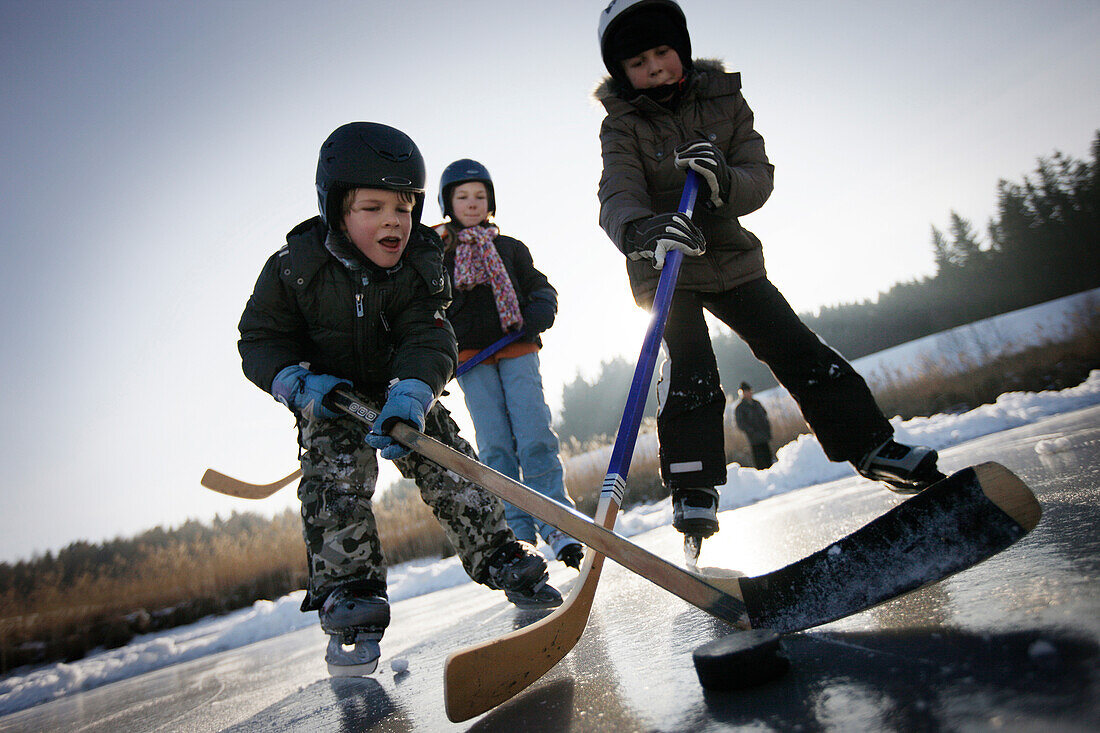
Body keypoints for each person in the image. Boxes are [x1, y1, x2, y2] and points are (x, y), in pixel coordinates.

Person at [594, 0, 943, 541]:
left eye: (663, 51)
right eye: (638, 61)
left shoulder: (724, 98)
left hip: (730, 255)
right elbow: (616, 191)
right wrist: (641, 231)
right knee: (690, 369)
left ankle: (872, 445)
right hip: (666, 266)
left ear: (681, 50)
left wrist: (723, 181)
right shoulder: (621, 125)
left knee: (794, 345)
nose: (655, 67)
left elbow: (758, 173)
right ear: (622, 73)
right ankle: (693, 486)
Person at [238, 123, 563, 676]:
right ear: (336, 209)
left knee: (452, 467)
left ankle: (499, 552)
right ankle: (349, 594)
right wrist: (296, 383)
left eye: (404, 207)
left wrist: (414, 391)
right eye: (373, 207)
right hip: (329, 398)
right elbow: (260, 339)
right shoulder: (295, 268)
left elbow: (430, 334)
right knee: (335, 484)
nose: (394, 220)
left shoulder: (419, 262)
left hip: (401, 390)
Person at [433, 159, 584, 571]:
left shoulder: (510, 248)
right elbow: (432, 309)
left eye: (480, 196)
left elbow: (540, 286)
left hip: (516, 351)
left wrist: (539, 308)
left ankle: (557, 522)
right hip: (472, 362)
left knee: (534, 434)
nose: (472, 203)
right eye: (462, 196)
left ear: (491, 200)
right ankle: (518, 530)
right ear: (448, 202)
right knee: (496, 446)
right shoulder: (439, 257)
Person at [734, 382, 774, 470]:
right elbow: (741, 424)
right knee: (759, 460)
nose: (749, 393)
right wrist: (752, 431)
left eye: (749, 391)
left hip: (764, 435)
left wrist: (767, 429)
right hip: (754, 439)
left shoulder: (757, 403)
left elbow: (764, 416)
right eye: (746, 392)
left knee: (769, 458)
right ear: (742, 393)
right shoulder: (740, 408)